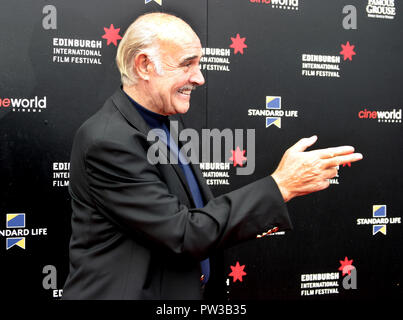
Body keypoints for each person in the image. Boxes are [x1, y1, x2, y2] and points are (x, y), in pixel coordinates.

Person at [61, 12, 363, 300]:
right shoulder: (108, 141)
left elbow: (194, 217)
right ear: (144, 66)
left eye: (199, 64)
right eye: (187, 64)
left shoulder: (162, 123)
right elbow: (182, 233)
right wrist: (280, 186)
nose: (200, 78)